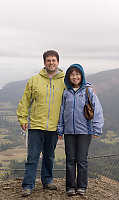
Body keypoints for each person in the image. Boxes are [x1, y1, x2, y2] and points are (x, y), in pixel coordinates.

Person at [16, 50, 65, 197]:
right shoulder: (34, 80)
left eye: (54, 60)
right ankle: (28, 185)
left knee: (49, 156)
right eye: (48, 60)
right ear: (44, 63)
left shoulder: (64, 81)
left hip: (54, 126)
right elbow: (25, 101)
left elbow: (76, 88)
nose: (51, 63)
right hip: (36, 126)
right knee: (32, 157)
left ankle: (47, 181)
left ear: (58, 62)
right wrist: (23, 118)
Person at [57, 64, 104, 196]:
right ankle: (70, 187)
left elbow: (98, 110)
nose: (75, 77)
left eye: (77, 74)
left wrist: (96, 128)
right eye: (72, 74)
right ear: (68, 77)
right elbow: (62, 111)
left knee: (82, 160)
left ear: (82, 76)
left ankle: (82, 186)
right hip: (69, 132)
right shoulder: (66, 92)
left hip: (85, 131)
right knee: (70, 159)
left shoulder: (88, 91)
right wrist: (60, 128)